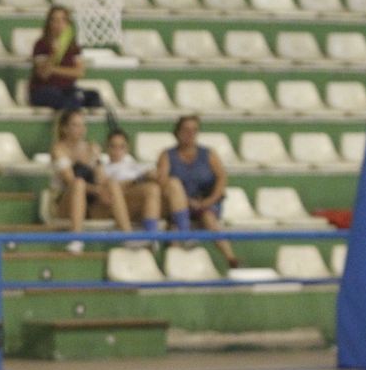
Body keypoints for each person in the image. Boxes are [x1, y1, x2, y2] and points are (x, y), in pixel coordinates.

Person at [49, 108, 139, 255]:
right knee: (78, 184)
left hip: (90, 202)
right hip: (65, 202)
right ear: (65, 128)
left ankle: (127, 236)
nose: (81, 129)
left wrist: (105, 188)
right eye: (75, 125)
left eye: (82, 125)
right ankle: (76, 239)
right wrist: (97, 190)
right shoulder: (58, 149)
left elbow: (101, 177)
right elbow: (70, 181)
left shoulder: (92, 147)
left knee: (112, 183)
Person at [157, 114, 240, 267]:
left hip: (206, 201)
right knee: (173, 228)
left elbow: (221, 177)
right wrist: (186, 201)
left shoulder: (208, 154)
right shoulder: (167, 155)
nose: (190, 134)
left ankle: (231, 258)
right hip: (177, 204)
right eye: (186, 130)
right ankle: (175, 269)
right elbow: (162, 181)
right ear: (178, 132)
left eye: (194, 130)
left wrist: (209, 201)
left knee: (209, 218)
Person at [101, 128, 182, 239]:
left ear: (127, 148)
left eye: (121, 147)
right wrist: (137, 180)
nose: (117, 151)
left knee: (166, 184)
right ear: (107, 147)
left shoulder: (133, 165)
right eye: (113, 146)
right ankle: (132, 236)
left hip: (141, 199)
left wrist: (152, 176)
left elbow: (151, 175)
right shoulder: (102, 166)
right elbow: (106, 187)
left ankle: (160, 233)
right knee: (148, 188)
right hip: (116, 202)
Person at [29, 6, 102, 111]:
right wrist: (54, 54)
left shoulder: (73, 46)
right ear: (49, 23)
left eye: (62, 20)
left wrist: (53, 69)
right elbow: (43, 74)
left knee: (93, 97)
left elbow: (79, 72)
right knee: (66, 99)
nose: (59, 24)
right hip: (43, 90)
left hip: (67, 89)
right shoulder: (41, 45)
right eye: (55, 20)